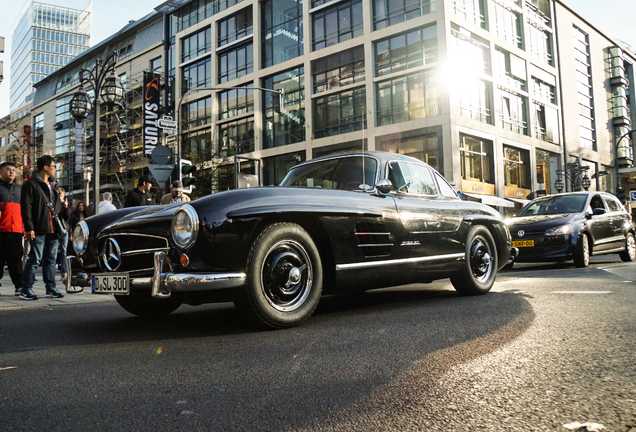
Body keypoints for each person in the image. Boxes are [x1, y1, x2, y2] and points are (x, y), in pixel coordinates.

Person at [20, 155, 64, 300]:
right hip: (38, 228)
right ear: (45, 167)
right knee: (34, 259)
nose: (55, 169)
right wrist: (29, 227)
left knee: (51, 260)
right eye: (53, 166)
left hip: (53, 229)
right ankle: (26, 289)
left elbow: (56, 208)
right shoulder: (30, 184)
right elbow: (26, 207)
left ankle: (51, 288)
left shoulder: (54, 186)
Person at [0, 162, 24, 297]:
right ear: (1, 171)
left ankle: (19, 286)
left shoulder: (19, 189)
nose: (11, 172)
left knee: (16, 260)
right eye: (8, 170)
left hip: (16, 230)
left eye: (14, 170)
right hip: (1, 230)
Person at [55, 186, 70, 283]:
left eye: (63, 196)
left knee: (64, 251)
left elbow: (67, 218)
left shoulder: (63, 205)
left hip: (64, 230)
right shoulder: (54, 204)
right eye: (61, 196)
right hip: (56, 230)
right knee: (54, 251)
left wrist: (65, 207)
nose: (62, 198)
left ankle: (64, 272)